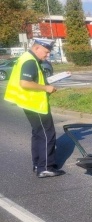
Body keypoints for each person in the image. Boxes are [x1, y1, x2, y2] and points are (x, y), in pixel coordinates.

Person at [4, 38, 66, 178]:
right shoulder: (30, 61)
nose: (47, 55)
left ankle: (38, 164)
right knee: (46, 135)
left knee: (38, 134)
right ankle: (45, 167)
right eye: (46, 51)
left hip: (29, 103)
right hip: (35, 104)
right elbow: (25, 83)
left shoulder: (27, 57)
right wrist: (46, 88)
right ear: (37, 48)